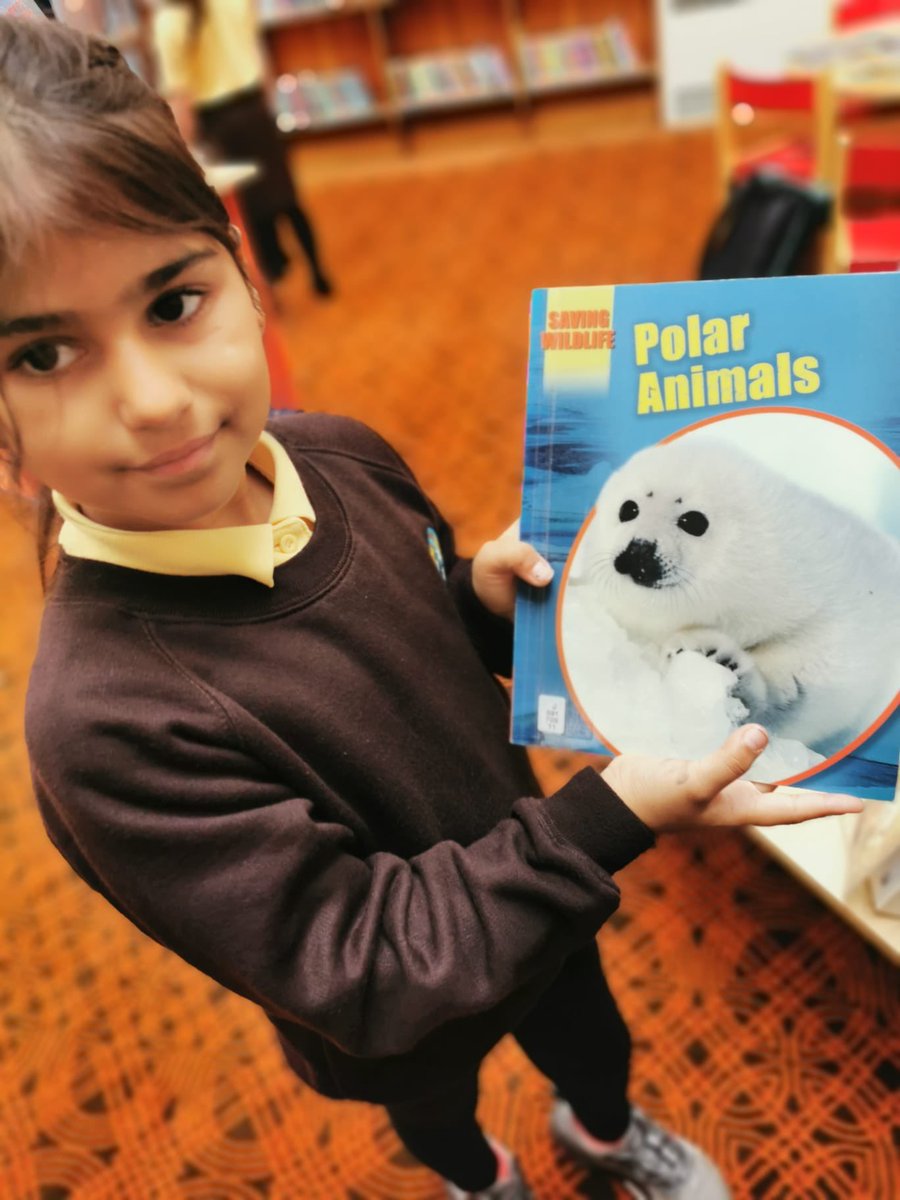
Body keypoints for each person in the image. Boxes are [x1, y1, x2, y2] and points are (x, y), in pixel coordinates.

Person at [0, 20, 862, 1200]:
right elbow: (359, 966)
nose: (153, 400)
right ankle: (481, 1179)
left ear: (241, 272)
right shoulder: (102, 724)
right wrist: (601, 824)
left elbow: (394, 650)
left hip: (539, 898)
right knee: (435, 1115)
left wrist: (476, 605)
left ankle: (605, 1134)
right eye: (43, 355)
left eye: (172, 301)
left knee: (595, 1048)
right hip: (397, 1005)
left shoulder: (339, 453)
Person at [151, 0, 333, 295]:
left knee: (249, 212)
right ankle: (319, 275)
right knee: (287, 199)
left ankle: (271, 289)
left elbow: (181, 98)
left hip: (220, 125)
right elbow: (258, 50)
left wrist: (183, 150)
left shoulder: (170, 22)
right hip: (255, 110)